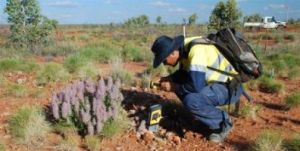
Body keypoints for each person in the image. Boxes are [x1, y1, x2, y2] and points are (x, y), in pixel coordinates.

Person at [151, 35, 244, 143]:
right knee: (181, 86)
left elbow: (195, 86)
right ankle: (207, 116)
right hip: (216, 85)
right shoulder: (184, 49)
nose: (164, 63)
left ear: (172, 52)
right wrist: (169, 78)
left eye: (164, 59)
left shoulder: (196, 51)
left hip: (229, 88)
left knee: (191, 100)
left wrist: (173, 86)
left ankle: (223, 122)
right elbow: (184, 73)